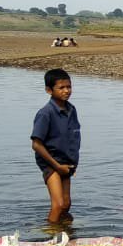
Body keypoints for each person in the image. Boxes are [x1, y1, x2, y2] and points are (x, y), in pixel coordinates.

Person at [30, 68, 80, 223]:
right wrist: (57, 166)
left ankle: (64, 229)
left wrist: (72, 164)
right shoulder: (46, 113)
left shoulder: (71, 110)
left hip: (66, 162)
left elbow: (72, 136)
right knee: (58, 205)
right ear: (49, 90)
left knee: (66, 204)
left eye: (69, 87)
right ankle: (50, 232)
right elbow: (36, 144)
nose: (66, 91)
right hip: (51, 162)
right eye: (61, 88)